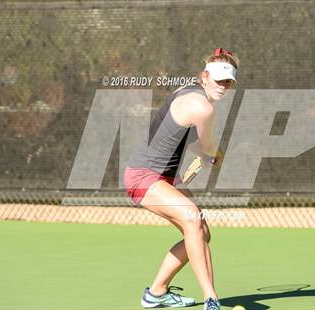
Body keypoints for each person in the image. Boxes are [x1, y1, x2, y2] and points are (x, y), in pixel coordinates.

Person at [124, 48, 238, 310]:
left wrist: (206, 156)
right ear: (205, 76)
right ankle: (212, 299)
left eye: (228, 81)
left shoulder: (186, 90)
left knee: (201, 232)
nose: (223, 85)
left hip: (163, 176)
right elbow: (209, 149)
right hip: (143, 175)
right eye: (219, 79)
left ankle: (155, 293)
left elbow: (187, 139)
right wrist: (213, 156)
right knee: (191, 218)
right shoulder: (203, 107)